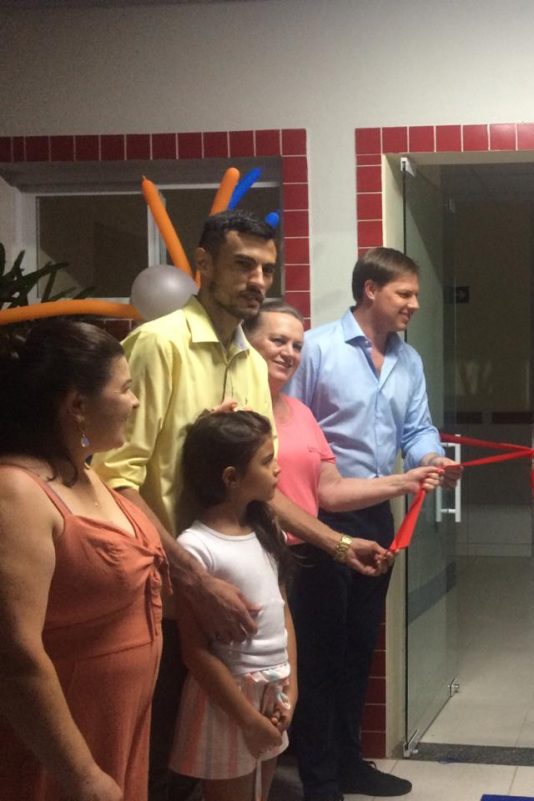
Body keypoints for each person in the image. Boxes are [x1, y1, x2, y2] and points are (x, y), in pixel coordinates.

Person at [94, 210, 387, 801]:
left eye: (267, 269)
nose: (257, 280)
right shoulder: (159, 345)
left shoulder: (250, 362)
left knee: (236, 759)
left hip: (234, 608)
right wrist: (195, 580)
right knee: (163, 768)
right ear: (203, 265)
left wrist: (338, 544)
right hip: (168, 602)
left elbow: (261, 488)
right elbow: (114, 482)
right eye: (243, 264)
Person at [286, 247, 461, 800]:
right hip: (319, 516)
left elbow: (418, 429)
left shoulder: (409, 361)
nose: (414, 304)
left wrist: (431, 458)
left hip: (379, 512)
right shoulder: (315, 349)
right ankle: (319, 779)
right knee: (320, 649)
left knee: (360, 643)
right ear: (370, 290)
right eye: (404, 294)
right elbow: (288, 426)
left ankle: (349, 763)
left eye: (415, 295)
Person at [0, 319, 165, 801]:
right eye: (126, 389)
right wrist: (82, 775)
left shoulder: (86, 471)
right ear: (77, 404)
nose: (135, 402)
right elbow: (15, 652)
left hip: (118, 719)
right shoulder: (17, 493)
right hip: (63, 741)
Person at [168, 411, 297, 801]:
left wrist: (291, 693)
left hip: (274, 690)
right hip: (228, 700)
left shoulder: (267, 531)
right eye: (267, 461)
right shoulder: (197, 547)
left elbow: (283, 613)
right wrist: (247, 719)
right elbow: (195, 651)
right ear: (231, 477)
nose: (277, 468)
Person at [245, 300, 442, 532]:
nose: (289, 353)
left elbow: (329, 490)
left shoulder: (301, 413)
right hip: (258, 538)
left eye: (297, 346)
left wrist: (407, 481)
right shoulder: (234, 410)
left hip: (320, 533)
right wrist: (336, 542)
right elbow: (257, 493)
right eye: (278, 341)